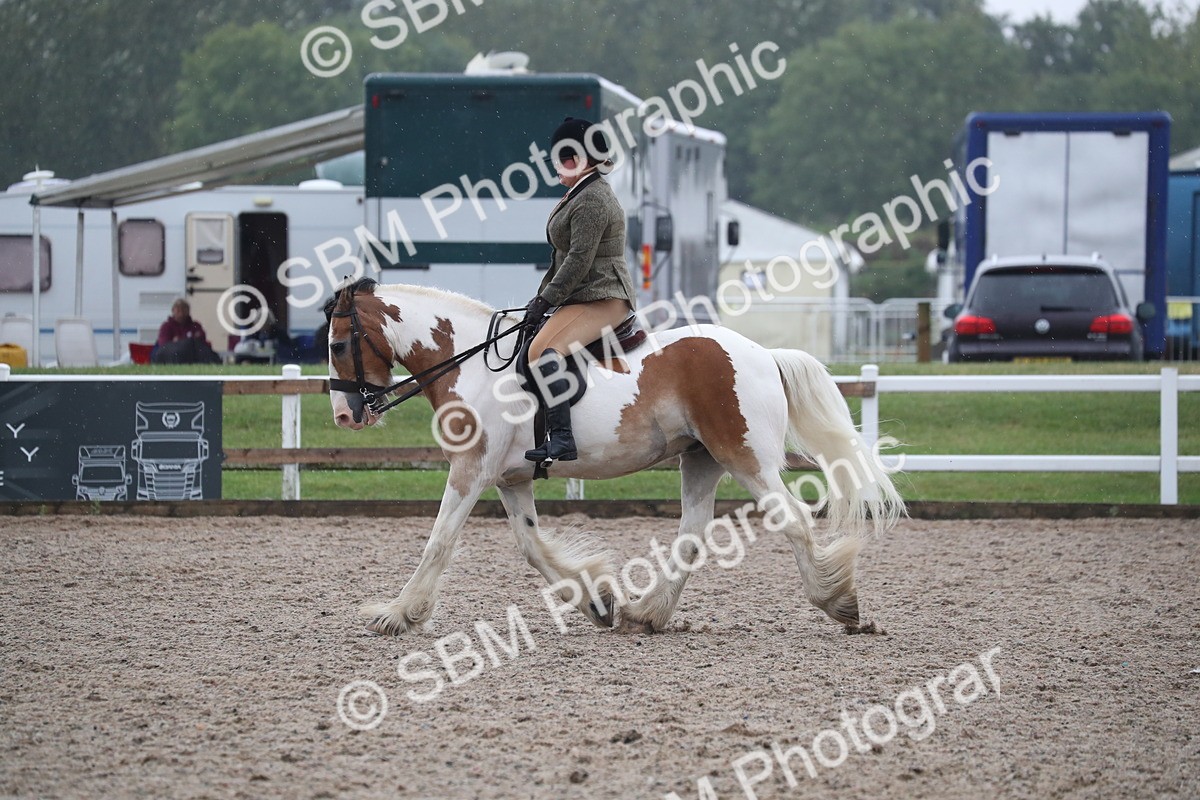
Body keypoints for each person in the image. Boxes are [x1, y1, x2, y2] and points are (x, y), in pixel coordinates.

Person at [521, 117, 636, 464]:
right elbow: (563, 259)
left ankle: (562, 439)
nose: (558, 166)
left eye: (565, 158)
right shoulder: (580, 192)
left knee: (542, 352)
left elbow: (578, 261)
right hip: (585, 293)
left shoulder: (591, 200)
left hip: (604, 294)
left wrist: (546, 300)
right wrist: (542, 298)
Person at [153, 298, 219, 364]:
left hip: (193, 356)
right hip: (174, 356)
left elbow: (201, 340)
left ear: (188, 311)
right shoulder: (166, 326)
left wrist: (179, 340)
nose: (181, 313)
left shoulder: (195, 325)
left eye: (184, 309)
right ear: (173, 311)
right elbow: (164, 344)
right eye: (178, 310)